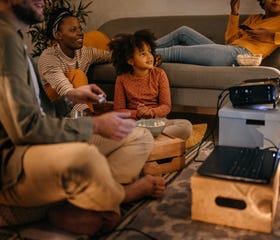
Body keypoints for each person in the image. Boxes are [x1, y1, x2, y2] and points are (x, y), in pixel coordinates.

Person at [0, 0, 165, 236]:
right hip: (13, 160)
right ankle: (123, 193)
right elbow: (25, 128)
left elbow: (40, 112)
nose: (44, 1)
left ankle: (84, 199)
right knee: (86, 157)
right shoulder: (5, 40)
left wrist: (71, 97)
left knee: (138, 135)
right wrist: (95, 124)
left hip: (40, 141)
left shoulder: (13, 37)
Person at [155, 0, 280, 66]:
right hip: (230, 50)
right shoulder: (255, 19)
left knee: (175, 52)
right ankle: (142, 46)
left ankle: (135, 54)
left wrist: (272, 37)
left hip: (243, 56)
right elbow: (230, 40)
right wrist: (234, 12)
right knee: (184, 32)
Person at [109, 29, 193, 140]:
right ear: (131, 61)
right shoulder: (122, 79)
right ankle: (153, 139)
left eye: (149, 51)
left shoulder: (159, 74)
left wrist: (151, 112)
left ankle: (145, 138)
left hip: (158, 123)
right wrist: (138, 114)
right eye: (143, 54)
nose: (149, 56)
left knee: (186, 126)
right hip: (136, 124)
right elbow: (119, 110)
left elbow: (166, 106)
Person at [37, 7, 111, 115]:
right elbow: (66, 91)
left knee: (78, 75)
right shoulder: (48, 57)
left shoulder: (85, 53)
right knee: (78, 74)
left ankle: (84, 116)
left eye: (80, 29)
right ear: (58, 35)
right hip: (50, 106)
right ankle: (85, 117)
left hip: (74, 103)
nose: (80, 33)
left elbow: (109, 56)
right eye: (73, 30)